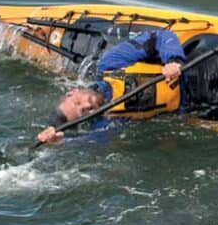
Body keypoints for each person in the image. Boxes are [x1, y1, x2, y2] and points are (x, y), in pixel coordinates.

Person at [36, 28, 187, 143]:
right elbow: (88, 142)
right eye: (83, 112)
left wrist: (173, 61)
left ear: (72, 92)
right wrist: (60, 142)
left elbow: (159, 36)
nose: (87, 105)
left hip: (193, 70)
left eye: (78, 102)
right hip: (197, 107)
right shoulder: (107, 122)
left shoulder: (110, 66)